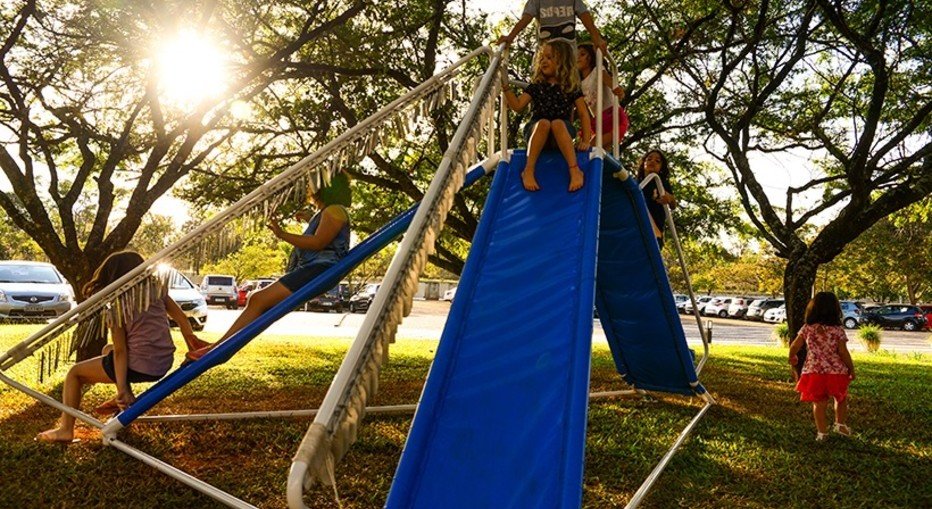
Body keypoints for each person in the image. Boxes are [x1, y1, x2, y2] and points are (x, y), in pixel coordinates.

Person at [36, 251, 205, 442]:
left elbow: (121, 351)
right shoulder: (157, 291)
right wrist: (192, 344)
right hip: (163, 362)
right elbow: (182, 318)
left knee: (74, 374)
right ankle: (126, 397)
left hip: (141, 365)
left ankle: (66, 429)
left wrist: (122, 388)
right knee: (106, 350)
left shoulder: (116, 307)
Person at [186, 172, 352, 361]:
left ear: (323, 188)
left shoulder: (334, 210)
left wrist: (282, 234)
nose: (309, 189)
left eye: (312, 185)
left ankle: (219, 350)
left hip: (317, 270)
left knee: (258, 299)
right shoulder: (328, 212)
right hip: (315, 269)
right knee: (257, 300)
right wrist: (309, 219)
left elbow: (318, 242)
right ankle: (219, 347)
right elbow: (327, 235)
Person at [502, 40, 592, 192]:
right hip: (537, 131)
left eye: (549, 58)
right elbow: (518, 106)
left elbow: (583, 114)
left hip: (560, 133)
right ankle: (528, 170)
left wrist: (586, 140)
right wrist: (506, 88)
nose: (544, 61)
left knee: (557, 123)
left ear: (562, 62)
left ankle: (574, 169)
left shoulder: (570, 87)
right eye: (542, 58)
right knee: (544, 123)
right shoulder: (536, 86)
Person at [788, 292, 856, 442]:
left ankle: (822, 433)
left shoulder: (807, 328)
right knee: (841, 397)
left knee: (819, 402)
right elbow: (843, 352)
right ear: (835, 310)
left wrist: (792, 356)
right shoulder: (837, 330)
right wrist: (851, 368)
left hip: (814, 371)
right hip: (836, 371)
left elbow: (795, 346)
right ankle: (840, 425)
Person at [497, 0, 607, 52]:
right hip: (546, 53)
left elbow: (584, 15)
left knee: (568, 83)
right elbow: (526, 19)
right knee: (541, 82)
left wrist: (596, 38)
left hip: (567, 53)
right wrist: (510, 36)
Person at [576, 42, 628, 148]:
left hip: (612, 116)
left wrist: (616, 89)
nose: (578, 58)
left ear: (591, 57)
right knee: (595, 152)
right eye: (576, 55)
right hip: (598, 121)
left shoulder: (597, 70)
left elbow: (608, 80)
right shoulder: (579, 84)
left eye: (582, 54)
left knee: (590, 148)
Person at [637, 150, 676, 249]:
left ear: (661, 167)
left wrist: (669, 198)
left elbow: (673, 204)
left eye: (657, 161)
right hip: (635, 227)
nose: (652, 161)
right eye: (649, 159)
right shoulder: (635, 184)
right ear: (643, 163)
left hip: (655, 231)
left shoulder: (661, 183)